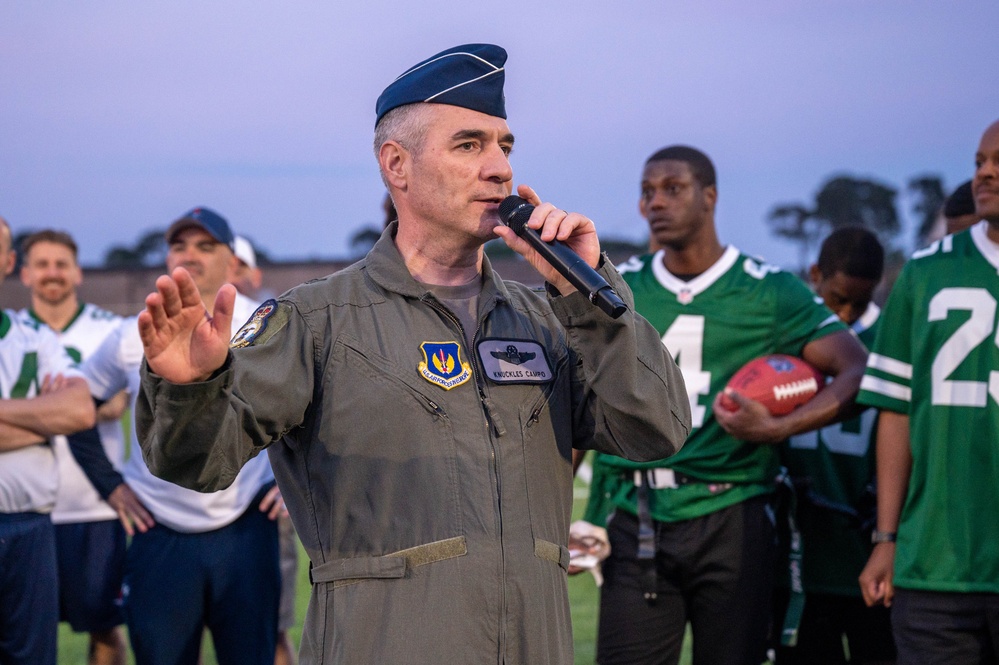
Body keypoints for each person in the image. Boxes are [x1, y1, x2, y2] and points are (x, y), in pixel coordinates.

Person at [133, 43, 690, 664]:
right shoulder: (318, 320)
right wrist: (187, 386)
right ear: (396, 165)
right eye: (469, 145)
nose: (500, 169)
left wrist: (591, 299)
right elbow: (196, 465)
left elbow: (656, 431)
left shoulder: (550, 318)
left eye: (506, 146)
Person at [583, 145, 869, 665]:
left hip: (732, 513)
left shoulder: (770, 291)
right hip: (636, 512)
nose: (656, 203)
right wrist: (576, 513)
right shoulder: (620, 287)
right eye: (648, 192)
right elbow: (581, 392)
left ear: (710, 196)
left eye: (673, 189)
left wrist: (780, 429)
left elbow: (857, 369)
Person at [72, 207, 284, 664]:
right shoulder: (136, 333)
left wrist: (293, 486)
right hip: (159, 526)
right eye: (179, 245)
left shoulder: (267, 327)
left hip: (246, 525)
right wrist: (110, 486)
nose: (191, 255)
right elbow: (76, 409)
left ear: (233, 259)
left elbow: (311, 410)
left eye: (206, 246)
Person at [858, 120, 999, 663]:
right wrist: (886, 539)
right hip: (934, 560)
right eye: (979, 160)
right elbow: (897, 412)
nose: (985, 172)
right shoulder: (925, 272)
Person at [774, 227, 896, 664]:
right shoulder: (788, 334)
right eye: (837, 298)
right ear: (814, 275)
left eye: (859, 304)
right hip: (800, 558)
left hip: (870, 556)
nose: (845, 314)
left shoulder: (894, 338)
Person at [18, 230, 131, 665]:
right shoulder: (13, 335)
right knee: (21, 629)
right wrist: (65, 406)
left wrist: (41, 407)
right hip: (25, 509)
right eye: (42, 264)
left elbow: (115, 402)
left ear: (77, 272)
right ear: (24, 272)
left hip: (94, 509)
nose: (52, 273)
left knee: (103, 626)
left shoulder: (107, 329)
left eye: (61, 264)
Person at [0, 217, 96, 665]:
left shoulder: (35, 337)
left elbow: (78, 411)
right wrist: (40, 417)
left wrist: (55, 415)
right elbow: (58, 415)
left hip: (31, 526)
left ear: (6, 261)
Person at [227, 235, 300, 665]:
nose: (229, 272)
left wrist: (284, 484)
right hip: (185, 516)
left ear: (253, 274)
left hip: (262, 510)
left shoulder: (277, 326)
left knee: (271, 630)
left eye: (238, 264)